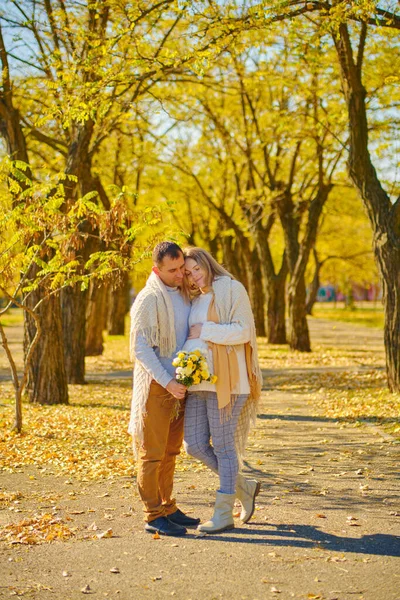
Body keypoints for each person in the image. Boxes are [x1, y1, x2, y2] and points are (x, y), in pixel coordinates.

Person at [182, 247, 263, 533]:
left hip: (229, 383)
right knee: (193, 444)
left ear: (207, 263)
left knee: (225, 446)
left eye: (196, 269)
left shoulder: (231, 289)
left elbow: (243, 331)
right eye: (188, 273)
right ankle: (243, 486)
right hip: (198, 382)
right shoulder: (195, 298)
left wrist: (206, 330)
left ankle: (223, 513)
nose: (193, 276)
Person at [128, 241, 200, 537]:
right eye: (173, 270)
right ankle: (153, 514)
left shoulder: (183, 293)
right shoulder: (148, 299)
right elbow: (140, 348)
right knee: (152, 453)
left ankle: (168, 507)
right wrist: (167, 381)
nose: (180, 274)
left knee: (171, 452)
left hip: (179, 386)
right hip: (158, 386)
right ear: (157, 269)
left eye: (182, 267)